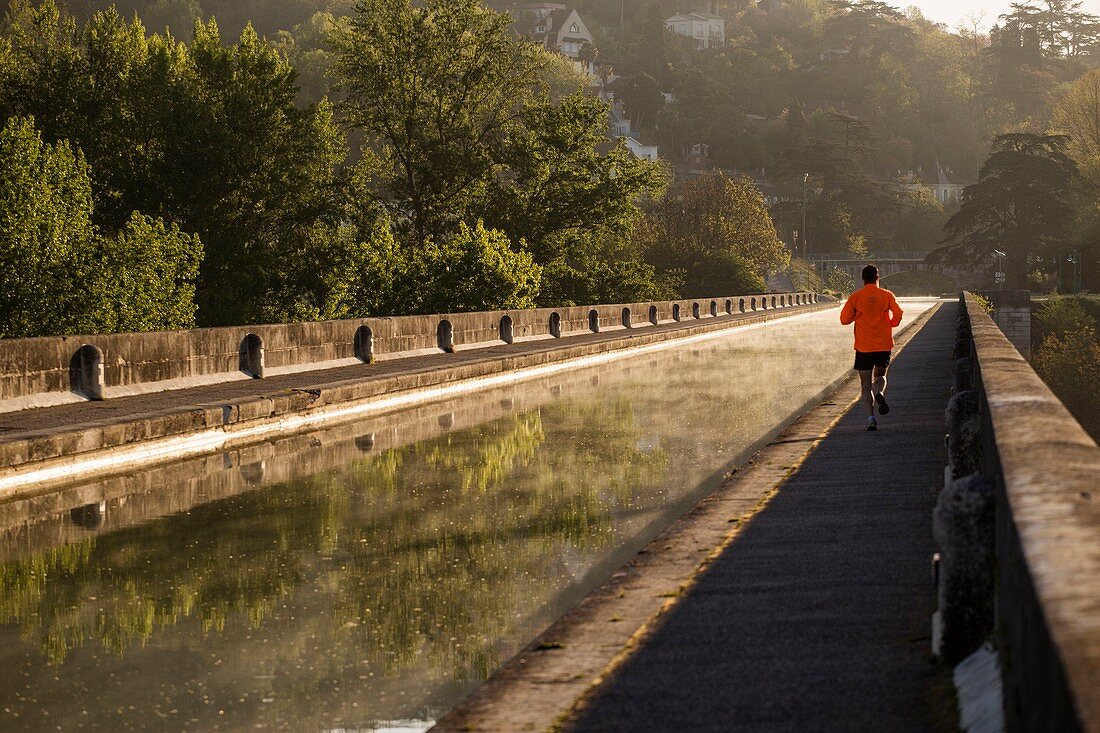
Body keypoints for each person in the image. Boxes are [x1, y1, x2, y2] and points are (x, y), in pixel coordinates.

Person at [840, 265, 903, 431]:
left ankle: (871, 418)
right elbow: (898, 313)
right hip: (883, 344)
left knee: (865, 384)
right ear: (877, 277)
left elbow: (844, 319)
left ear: (863, 278)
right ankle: (879, 392)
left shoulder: (856, 297)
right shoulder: (887, 295)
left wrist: (857, 315)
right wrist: (891, 323)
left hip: (863, 346)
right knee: (880, 375)